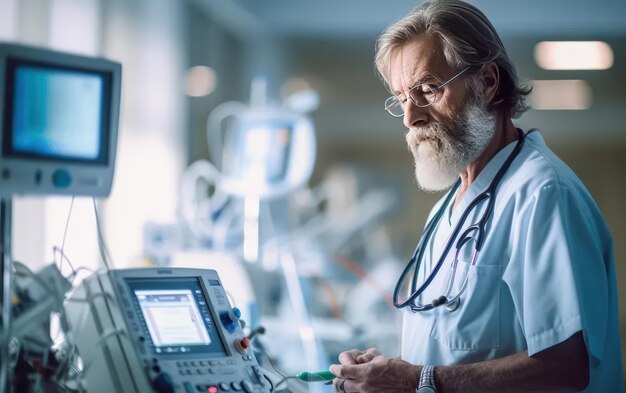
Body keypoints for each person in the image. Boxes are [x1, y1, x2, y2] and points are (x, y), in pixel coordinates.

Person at [328, 1, 624, 392]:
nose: (410, 118)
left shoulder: (543, 194)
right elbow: (454, 347)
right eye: (401, 98)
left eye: (427, 90)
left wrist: (418, 380)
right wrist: (383, 373)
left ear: (486, 81)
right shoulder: (448, 206)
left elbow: (566, 364)